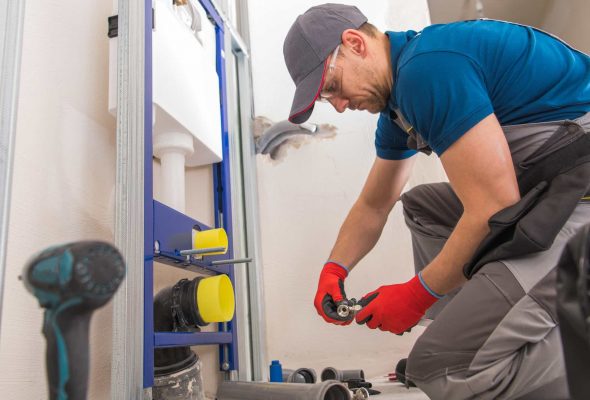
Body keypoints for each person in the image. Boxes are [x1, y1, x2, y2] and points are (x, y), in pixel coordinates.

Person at [282, 4, 590, 400]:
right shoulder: (398, 104)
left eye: (332, 87)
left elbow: (494, 206)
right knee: (423, 207)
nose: (339, 106)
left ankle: (503, 353)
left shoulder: (427, 69)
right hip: (550, 191)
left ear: (355, 43)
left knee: (442, 367)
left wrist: (417, 294)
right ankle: (475, 332)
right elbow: (375, 204)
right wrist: (334, 270)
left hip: (578, 192)